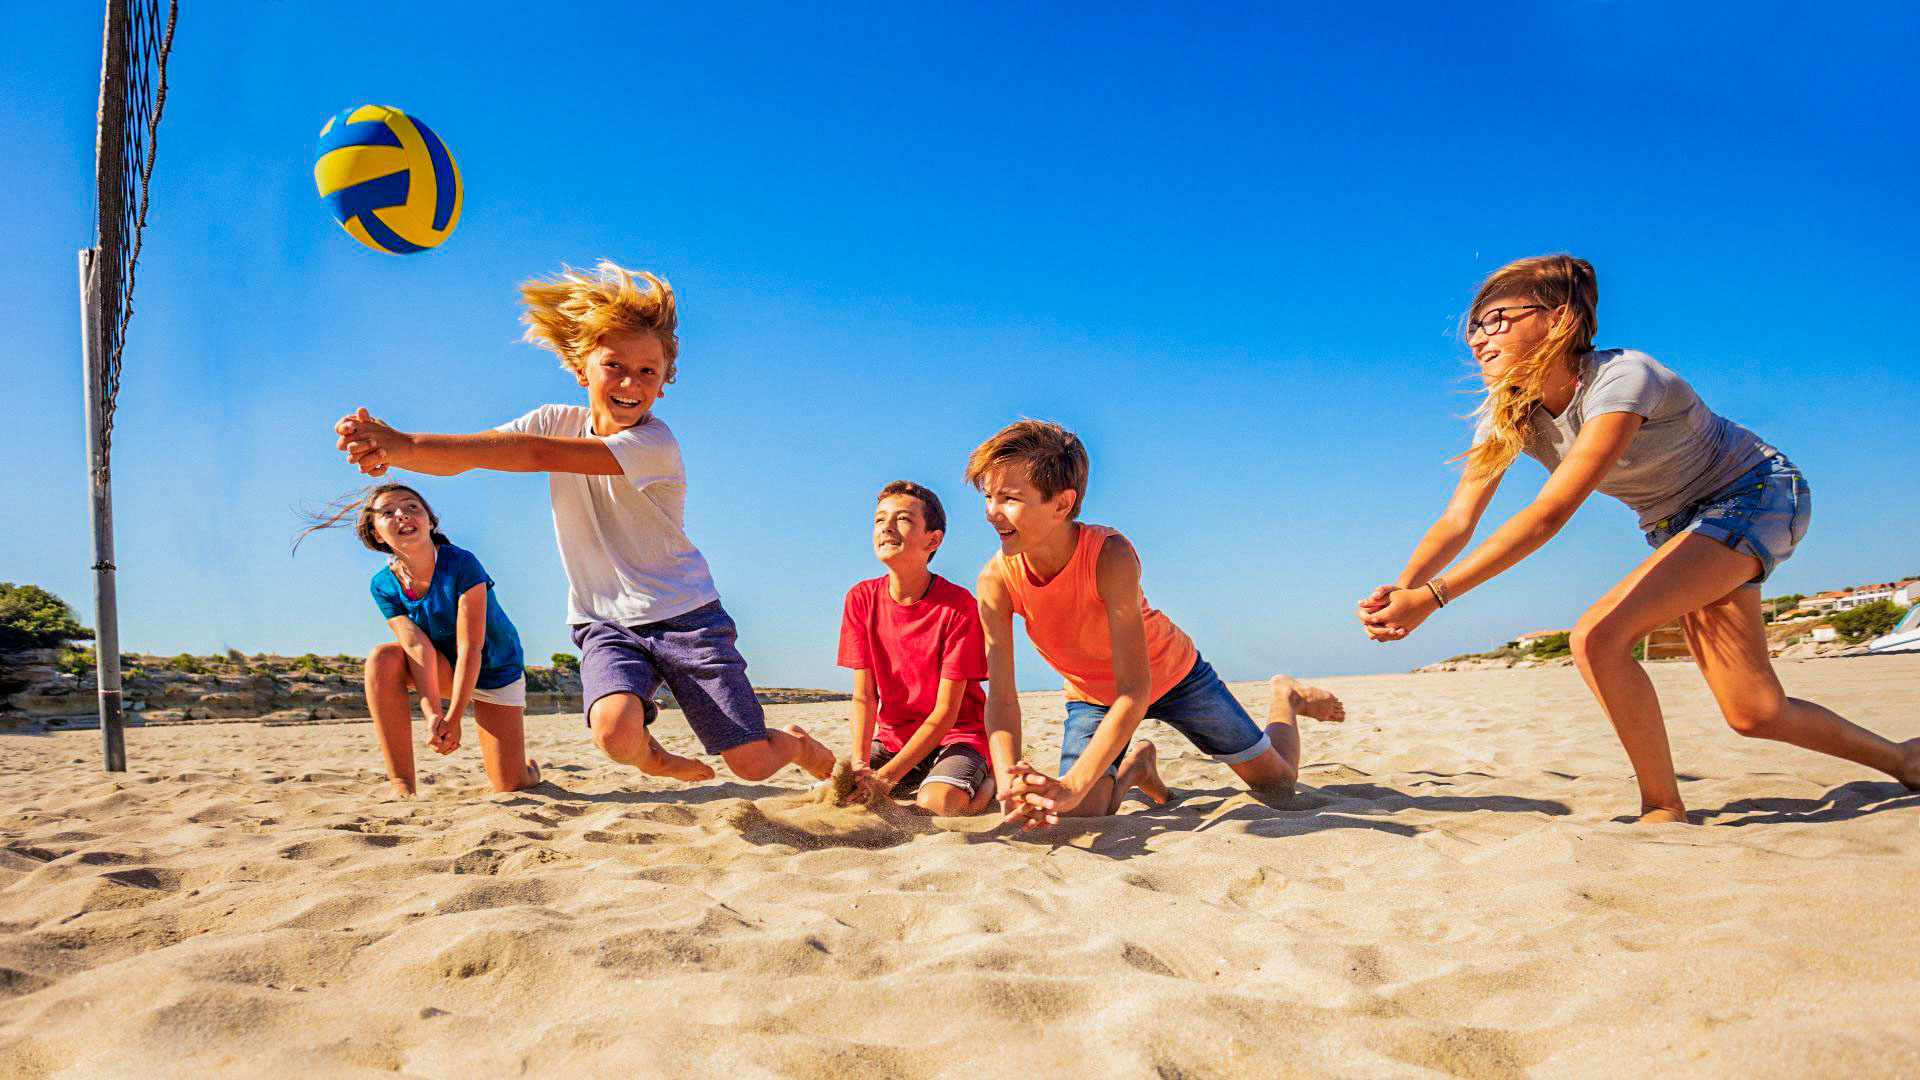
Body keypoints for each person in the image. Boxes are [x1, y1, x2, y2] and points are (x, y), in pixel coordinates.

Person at [1358, 254, 1920, 823]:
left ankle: (1661, 806)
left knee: (1598, 636)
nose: (1481, 338)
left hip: (1754, 494)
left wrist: (1434, 598)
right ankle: (1905, 760)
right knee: (1756, 713)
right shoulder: (1510, 415)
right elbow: (1458, 520)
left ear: (1557, 319)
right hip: (1679, 527)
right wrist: (1401, 591)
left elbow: (1551, 513)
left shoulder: (1624, 377)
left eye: (1499, 319)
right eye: (1476, 326)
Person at [333, 261, 834, 788]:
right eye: (614, 365)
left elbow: (530, 454)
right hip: (605, 620)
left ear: (664, 383)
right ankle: (653, 758)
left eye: (648, 371)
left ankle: (799, 744)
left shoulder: (654, 444)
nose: (630, 382)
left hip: (686, 615)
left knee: (751, 765)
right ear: (581, 370)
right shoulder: (554, 418)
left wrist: (406, 444)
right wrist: (394, 453)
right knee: (615, 733)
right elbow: (475, 455)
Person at [968, 420, 1344, 828]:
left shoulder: (1109, 555)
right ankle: (1139, 768)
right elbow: (1002, 699)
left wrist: (1073, 782)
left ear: (1061, 504)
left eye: (1009, 498)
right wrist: (1008, 784)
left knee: (1279, 786)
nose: (991, 512)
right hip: (1094, 696)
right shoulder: (996, 579)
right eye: (988, 496)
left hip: (1174, 676)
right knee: (1080, 812)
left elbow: (1135, 690)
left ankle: (1285, 695)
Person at [297, 484, 539, 798]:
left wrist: (454, 717)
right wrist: (433, 715)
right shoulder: (383, 585)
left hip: (494, 670)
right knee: (383, 658)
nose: (403, 515)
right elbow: (417, 648)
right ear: (377, 534)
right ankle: (401, 784)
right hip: (443, 670)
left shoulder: (462, 564)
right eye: (388, 512)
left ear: (430, 522)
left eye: (412, 507)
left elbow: (470, 646)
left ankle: (528, 769)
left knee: (510, 784)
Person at [836, 481, 996, 815]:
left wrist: (888, 777)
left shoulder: (959, 606)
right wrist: (863, 763)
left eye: (903, 519)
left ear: (933, 539)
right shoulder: (860, 599)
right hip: (894, 741)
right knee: (842, 795)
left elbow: (946, 713)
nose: (887, 527)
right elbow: (865, 697)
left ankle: (990, 782)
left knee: (937, 805)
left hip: (957, 737)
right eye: (880, 520)